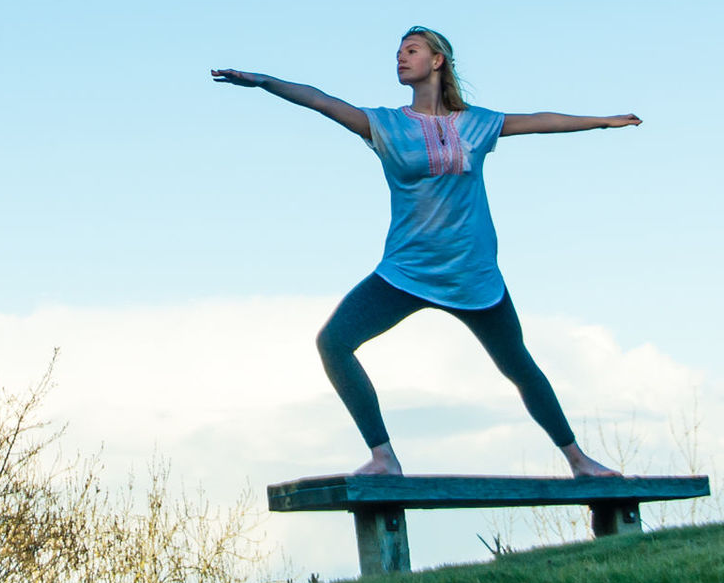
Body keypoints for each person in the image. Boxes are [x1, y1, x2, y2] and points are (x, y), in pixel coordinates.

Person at [211, 27, 641, 478]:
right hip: (406, 271)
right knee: (334, 343)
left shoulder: (478, 123)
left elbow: (540, 120)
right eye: (397, 52)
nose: (400, 58)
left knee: (520, 367)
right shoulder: (385, 124)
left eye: (411, 51)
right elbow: (321, 101)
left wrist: (604, 121)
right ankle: (383, 457)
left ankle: (579, 461)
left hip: (473, 277)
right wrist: (265, 82)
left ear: (437, 61)